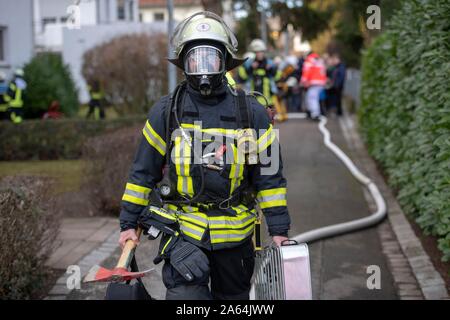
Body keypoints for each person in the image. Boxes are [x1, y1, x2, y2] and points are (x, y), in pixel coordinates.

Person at [118, 11, 290, 300]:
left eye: (211, 57)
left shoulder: (252, 114)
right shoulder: (166, 112)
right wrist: (128, 224)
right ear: (184, 63)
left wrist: (280, 228)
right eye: (196, 58)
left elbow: (269, 178)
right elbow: (142, 173)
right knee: (186, 299)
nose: (203, 66)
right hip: (184, 235)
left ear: (224, 61)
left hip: (236, 238)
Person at [237, 39, 285, 121]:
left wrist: (271, 70)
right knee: (256, 122)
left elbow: (278, 77)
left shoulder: (270, 63)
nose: (259, 54)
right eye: (257, 52)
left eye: (261, 51)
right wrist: (251, 69)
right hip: (254, 98)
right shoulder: (250, 63)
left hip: (268, 99)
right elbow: (242, 78)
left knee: (269, 122)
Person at [300, 52, 327, 120]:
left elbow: (306, 72)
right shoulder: (320, 61)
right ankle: (312, 112)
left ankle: (315, 114)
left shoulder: (309, 61)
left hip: (313, 82)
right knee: (314, 98)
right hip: (321, 83)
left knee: (312, 98)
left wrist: (303, 81)